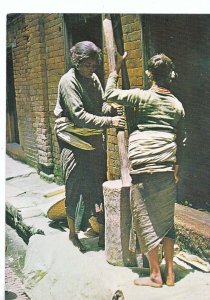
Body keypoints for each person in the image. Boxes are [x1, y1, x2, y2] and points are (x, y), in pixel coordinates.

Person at [105, 52, 186, 287]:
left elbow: (109, 94)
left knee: (145, 219)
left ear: (149, 74)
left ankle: (154, 275)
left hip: (143, 168)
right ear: (170, 77)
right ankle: (170, 274)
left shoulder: (141, 98)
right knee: (166, 220)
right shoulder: (177, 105)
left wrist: (116, 70)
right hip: (166, 168)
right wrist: (176, 169)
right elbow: (181, 140)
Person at [54, 41, 125, 252]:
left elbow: (99, 105)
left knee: (97, 184)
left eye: (93, 66)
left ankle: (102, 231)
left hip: (93, 139)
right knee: (74, 185)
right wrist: (109, 122)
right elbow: (79, 117)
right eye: (86, 65)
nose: (90, 70)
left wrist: (111, 108)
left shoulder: (93, 79)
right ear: (77, 62)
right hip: (72, 139)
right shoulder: (68, 82)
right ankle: (73, 233)